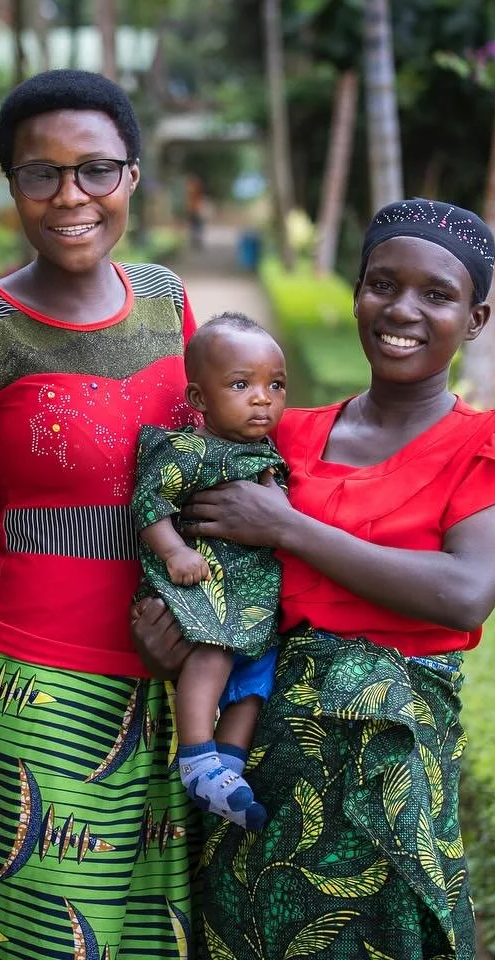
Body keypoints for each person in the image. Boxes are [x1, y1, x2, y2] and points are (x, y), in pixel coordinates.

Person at [133, 198, 495, 959]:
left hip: (390, 773)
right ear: (357, 291)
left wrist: (290, 527)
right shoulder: (283, 433)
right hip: (255, 761)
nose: (402, 309)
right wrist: (178, 635)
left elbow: (464, 590)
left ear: (477, 318)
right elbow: (208, 560)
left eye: (437, 294)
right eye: (381, 284)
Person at [0, 69, 199, 958]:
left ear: (132, 176)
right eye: (41, 173)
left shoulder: (168, 300)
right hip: (41, 695)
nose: (72, 196)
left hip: (179, 691)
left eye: (96, 170)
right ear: (12, 185)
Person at [132, 312, 286, 831]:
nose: (262, 398)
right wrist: (175, 551)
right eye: (241, 385)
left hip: (253, 597)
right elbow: (148, 501)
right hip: (205, 586)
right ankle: (197, 757)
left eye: (275, 386)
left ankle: (229, 768)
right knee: (214, 654)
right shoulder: (190, 450)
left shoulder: (266, 451)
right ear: (199, 399)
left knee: (257, 678)